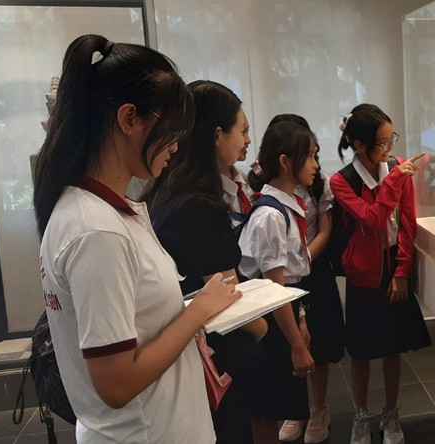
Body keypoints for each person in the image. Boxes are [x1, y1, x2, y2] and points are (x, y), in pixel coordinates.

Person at [33, 34, 240, 443]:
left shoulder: (100, 212)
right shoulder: (97, 231)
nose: (177, 145)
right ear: (129, 119)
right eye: (171, 130)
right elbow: (117, 383)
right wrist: (198, 311)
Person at [141, 80, 268, 443]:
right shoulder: (199, 205)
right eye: (242, 130)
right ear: (216, 135)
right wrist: (261, 328)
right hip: (212, 356)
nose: (247, 139)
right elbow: (227, 296)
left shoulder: (162, 190)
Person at [331, 103, 432, 444]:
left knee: (394, 347)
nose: (390, 149)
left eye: (392, 140)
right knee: (361, 352)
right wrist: (392, 180)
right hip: (363, 272)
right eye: (383, 143)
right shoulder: (341, 181)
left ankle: (391, 412)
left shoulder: (398, 170)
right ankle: (361, 414)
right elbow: (373, 218)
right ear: (359, 145)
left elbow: (408, 223)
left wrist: (402, 272)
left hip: (393, 263)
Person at [267, 115, 345, 444]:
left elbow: (326, 229)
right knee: (292, 340)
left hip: (314, 271)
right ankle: (294, 409)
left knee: (321, 343)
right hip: (285, 276)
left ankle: (318, 408)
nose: (313, 161)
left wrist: (304, 259)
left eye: (314, 152)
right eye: (308, 153)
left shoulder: (318, 183)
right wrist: (293, 266)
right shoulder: (270, 192)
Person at [238, 120, 318, 444]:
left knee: (268, 413)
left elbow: (286, 279)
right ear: (285, 162)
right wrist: (297, 347)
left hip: (283, 310)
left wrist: (301, 316)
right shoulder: (270, 215)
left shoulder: (284, 207)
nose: (315, 165)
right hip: (268, 320)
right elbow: (273, 290)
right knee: (267, 414)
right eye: (310, 156)